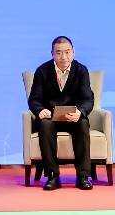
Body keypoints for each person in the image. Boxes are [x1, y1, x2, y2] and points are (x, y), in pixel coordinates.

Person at [28, 36, 96, 190]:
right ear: (52, 53)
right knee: (44, 125)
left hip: (73, 117)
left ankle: (83, 176)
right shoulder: (42, 71)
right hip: (50, 117)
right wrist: (40, 110)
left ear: (73, 52)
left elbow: (88, 99)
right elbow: (34, 99)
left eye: (67, 52)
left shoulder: (81, 70)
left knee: (83, 123)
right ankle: (53, 176)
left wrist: (80, 112)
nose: (63, 57)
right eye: (58, 53)